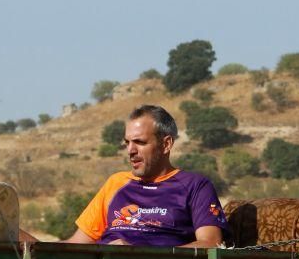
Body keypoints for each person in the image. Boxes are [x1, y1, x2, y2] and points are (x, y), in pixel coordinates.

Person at [64, 105, 228, 248]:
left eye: (140, 142)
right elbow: (76, 244)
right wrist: (39, 246)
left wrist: (137, 252)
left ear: (166, 144)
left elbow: (211, 244)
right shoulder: (116, 183)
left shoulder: (195, 185)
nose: (130, 151)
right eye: (127, 143)